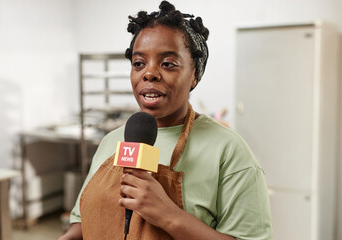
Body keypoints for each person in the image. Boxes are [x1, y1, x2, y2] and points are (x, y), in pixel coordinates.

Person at [58, 1, 273, 240]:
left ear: (194, 75)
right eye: (139, 63)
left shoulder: (228, 151)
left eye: (168, 63)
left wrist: (169, 216)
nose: (148, 73)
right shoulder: (111, 142)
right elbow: (82, 221)